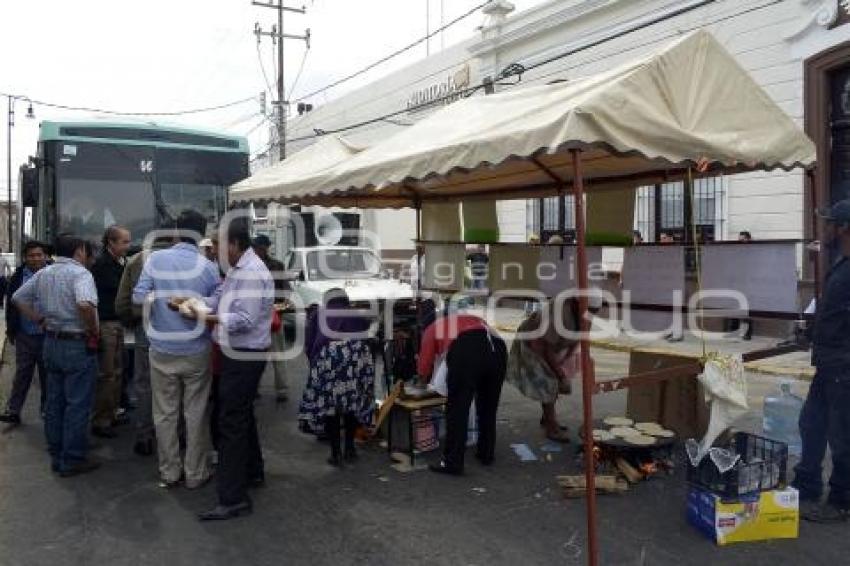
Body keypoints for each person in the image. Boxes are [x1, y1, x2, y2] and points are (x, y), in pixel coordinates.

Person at [190, 218, 274, 521]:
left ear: (235, 244)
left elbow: (244, 319)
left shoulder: (251, 273)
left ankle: (233, 497)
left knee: (230, 422)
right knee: (241, 415)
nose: (216, 251)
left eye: (219, 245)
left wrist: (208, 319)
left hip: (244, 354)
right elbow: (221, 298)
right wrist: (194, 303)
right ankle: (252, 472)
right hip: (236, 353)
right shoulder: (238, 269)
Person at [132, 211, 221, 489]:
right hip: (197, 348)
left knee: (165, 412)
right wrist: (192, 299)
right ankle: (196, 473)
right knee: (195, 411)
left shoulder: (156, 260)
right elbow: (216, 302)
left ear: (174, 233)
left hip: (161, 347)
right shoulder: (208, 266)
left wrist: (162, 299)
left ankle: (170, 472)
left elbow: (137, 296)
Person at [12, 235, 100, 477]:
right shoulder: (81, 274)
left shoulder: (44, 273)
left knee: (55, 402)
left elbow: (18, 298)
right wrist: (93, 329)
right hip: (76, 343)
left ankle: (56, 452)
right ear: (79, 251)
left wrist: (38, 318)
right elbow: (84, 304)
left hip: (50, 341)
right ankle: (72, 458)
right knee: (77, 403)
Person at [793, 199, 850, 523]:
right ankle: (806, 485)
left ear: (842, 228)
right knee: (811, 423)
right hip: (830, 362)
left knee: (842, 435)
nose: (824, 228)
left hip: (842, 365)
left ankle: (841, 499)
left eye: (829, 223)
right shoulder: (841, 264)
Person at [418, 303, 507, 475]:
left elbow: (424, 366)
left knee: (457, 409)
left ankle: (453, 462)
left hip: (468, 349)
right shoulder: (472, 319)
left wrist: (421, 385)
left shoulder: (432, 328)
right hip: (498, 349)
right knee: (488, 407)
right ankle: (486, 454)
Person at [298, 291, 375, 466]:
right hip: (355, 361)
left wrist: (316, 367)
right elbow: (367, 336)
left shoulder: (319, 314)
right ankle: (350, 448)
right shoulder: (356, 314)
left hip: (329, 361)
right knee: (352, 404)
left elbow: (309, 343)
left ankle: (336, 453)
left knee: (331, 408)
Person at [115, 238, 170, 456]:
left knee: (144, 384)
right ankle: (178, 435)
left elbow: (122, 302)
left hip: (145, 329)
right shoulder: (192, 261)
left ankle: (144, 436)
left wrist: (132, 321)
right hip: (182, 330)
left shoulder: (136, 260)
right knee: (176, 384)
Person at [506, 299, 582, 443]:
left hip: (552, 345)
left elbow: (579, 337)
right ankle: (551, 428)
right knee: (548, 382)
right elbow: (545, 350)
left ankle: (547, 417)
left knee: (556, 380)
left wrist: (565, 358)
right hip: (532, 341)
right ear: (576, 304)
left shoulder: (584, 312)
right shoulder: (558, 315)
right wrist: (559, 373)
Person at [0, 241, 49, 424]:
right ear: (25, 257)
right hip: (24, 335)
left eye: (39, 255)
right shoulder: (18, 276)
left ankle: (47, 410)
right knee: (22, 374)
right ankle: (13, 411)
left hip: (48, 335)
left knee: (48, 376)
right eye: (31, 255)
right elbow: (11, 305)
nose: (35, 258)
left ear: (45, 256)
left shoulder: (54, 274)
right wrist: (11, 331)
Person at [89, 225, 130, 438]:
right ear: (111, 243)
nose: (128, 246)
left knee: (117, 371)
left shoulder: (118, 262)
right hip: (106, 324)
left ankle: (112, 412)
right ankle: (101, 419)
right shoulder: (103, 265)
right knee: (107, 373)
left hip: (116, 323)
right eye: (124, 242)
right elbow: (120, 289)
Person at [252, 234, 289, 403]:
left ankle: (279, 390)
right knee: (263, 356)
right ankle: (259, 388)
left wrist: (281, 304)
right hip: (266, 317)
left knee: (271, 356)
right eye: (257, 247)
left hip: (269, 318)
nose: (259, 250)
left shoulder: (253, 267)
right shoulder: (273, 265)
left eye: (260, 247)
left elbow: (285, 292)